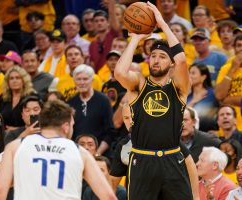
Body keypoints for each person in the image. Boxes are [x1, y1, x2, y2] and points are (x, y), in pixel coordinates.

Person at [114, 2, 192, 199]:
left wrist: (162, 24)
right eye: (153, 56)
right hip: (142, 159)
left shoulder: (179, 88)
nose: (156, 60)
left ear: (171, 64)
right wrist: (135, 39)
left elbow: (182, 60)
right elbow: (120, 72)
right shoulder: (139, 84)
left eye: (162, 57)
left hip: (172, 158)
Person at [0, 100, 117, 200]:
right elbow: (108, 196)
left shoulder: (16, 146)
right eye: (72, 125)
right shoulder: (80, 152)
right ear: (66, 126)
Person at [68, 64, 116, 156]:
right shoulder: (70, 103)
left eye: (85, 79)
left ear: (92, 80)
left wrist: (97, 154)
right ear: (74, 81)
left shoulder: (103, 100)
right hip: (77, 154)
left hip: (100, 154)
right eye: (78, 79)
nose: (82, 82)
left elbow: (110, 132)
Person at [214, 34, 242, 131]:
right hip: (227, 128)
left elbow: (223, 99)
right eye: (239, 45)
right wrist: (232, 69)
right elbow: (219, 95)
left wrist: (227, 100)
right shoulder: (226, 68)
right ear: (234, 48)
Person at [0, 66, 35, 130]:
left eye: (18, 78)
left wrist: (16, 129)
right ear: (7, 82)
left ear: (24, 80)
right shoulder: (3, 98)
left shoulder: (32, 97)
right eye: (11, 78)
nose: (14, 81)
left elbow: (36, 123)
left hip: (26, 135)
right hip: (5, 136)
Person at [187, 63, 219, 131]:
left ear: (203, 77)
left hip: (209, 134)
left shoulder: (212, 94)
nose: (189, 76)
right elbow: (182, 116)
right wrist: (193, 102)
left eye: (193, 73)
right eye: (189, 73)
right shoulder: (187, 96)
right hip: (191, 134)